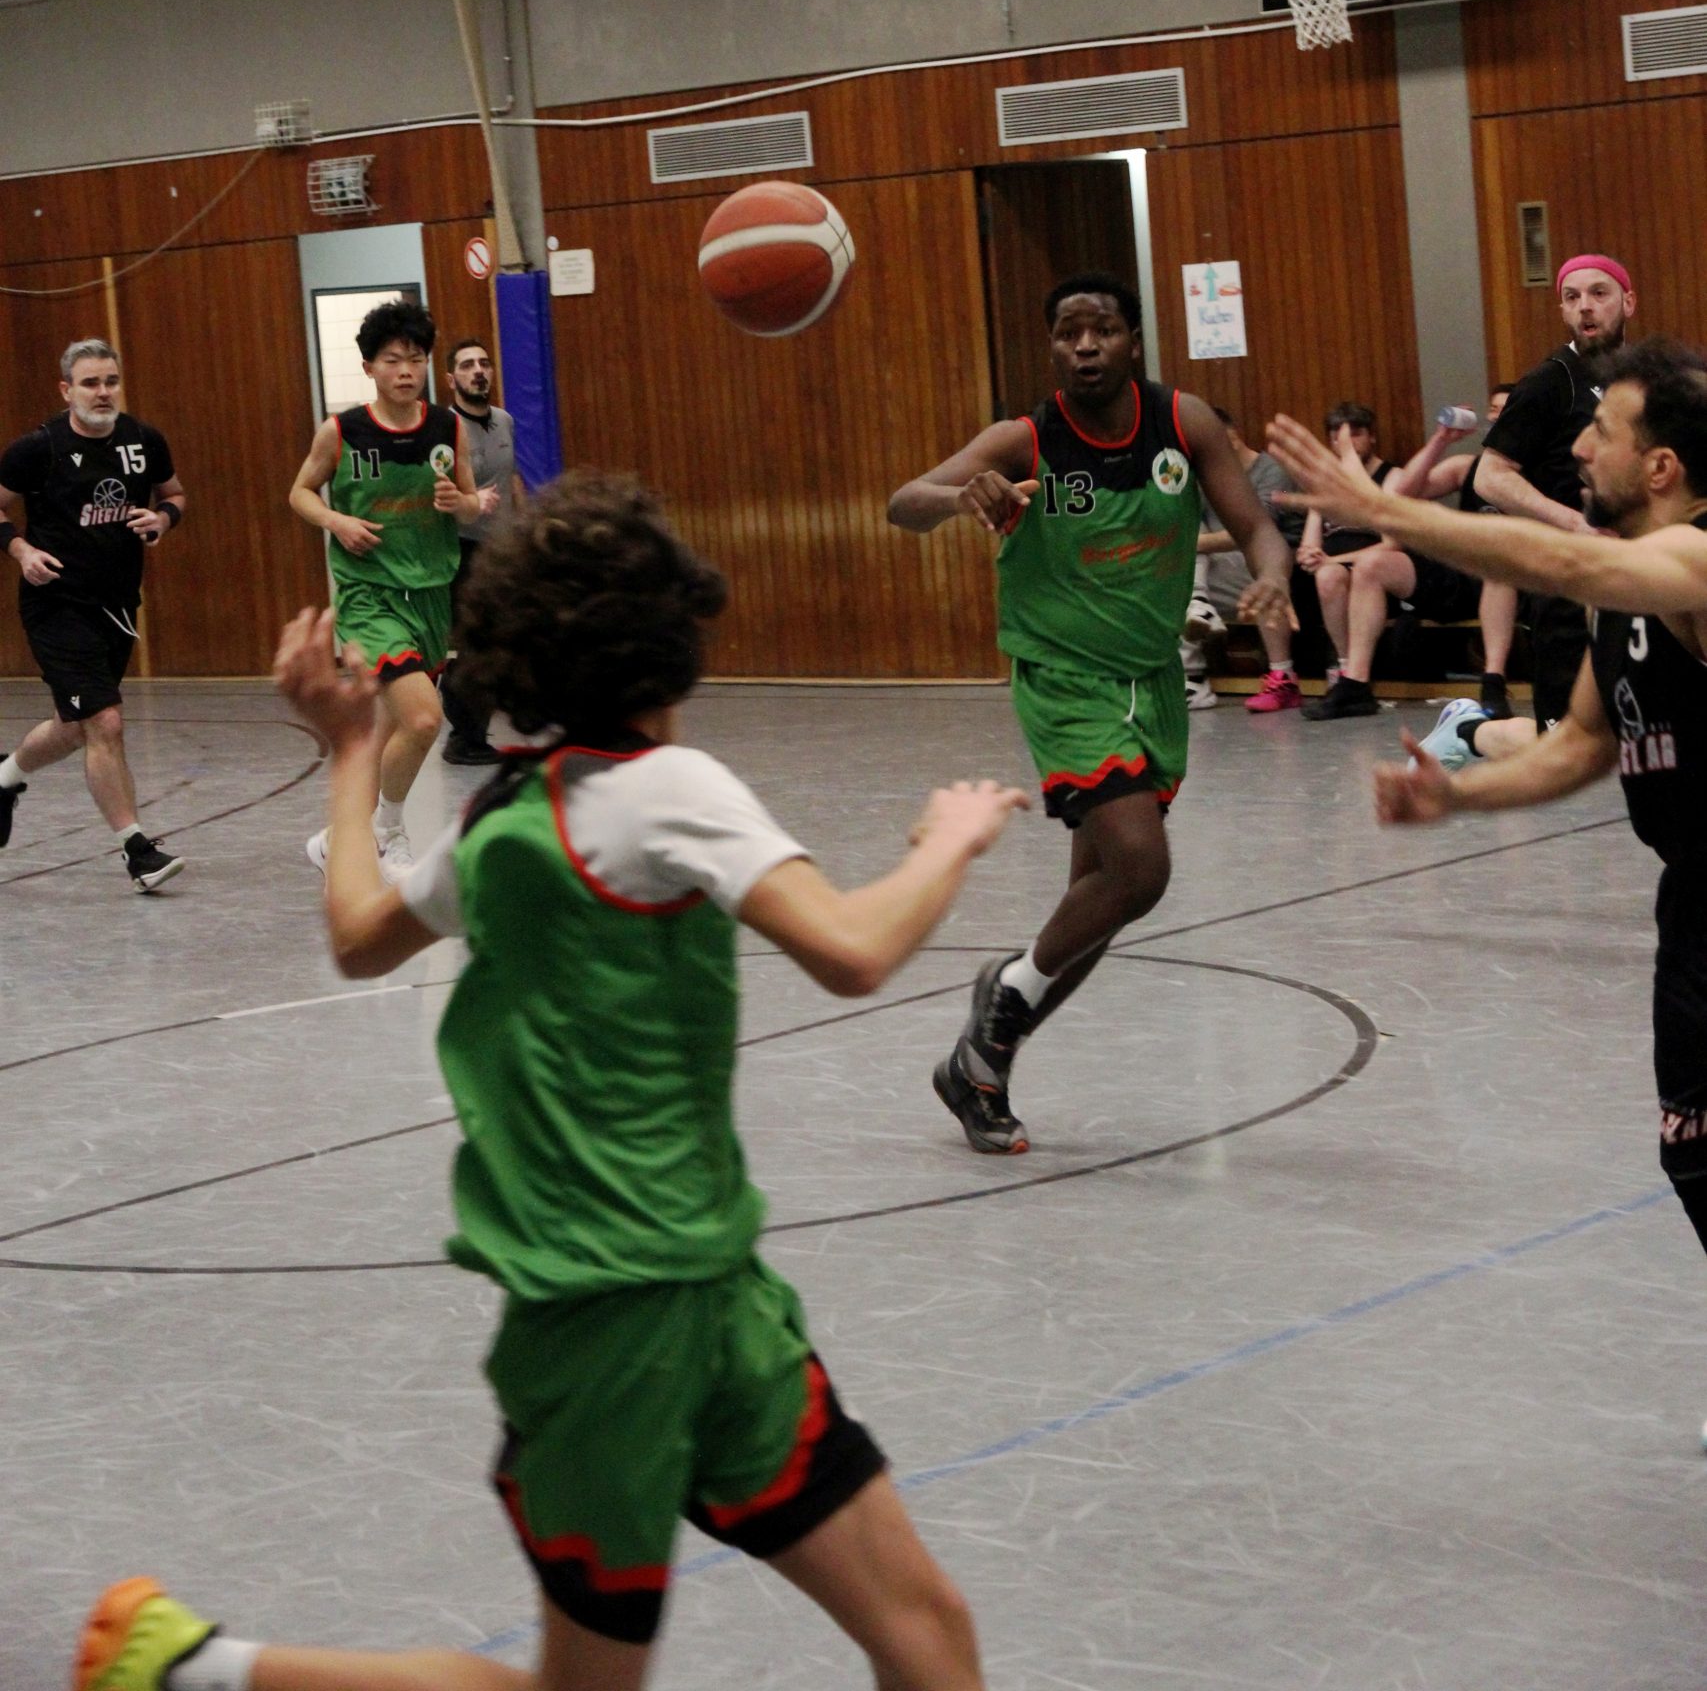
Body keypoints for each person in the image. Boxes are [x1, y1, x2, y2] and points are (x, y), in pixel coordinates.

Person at [76, 472, 1026, 1691]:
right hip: (614, 1323)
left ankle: (188, 1665)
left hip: (710, 1301)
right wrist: (948, 842)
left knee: (927, 1634)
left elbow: (358, 934)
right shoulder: (672, 788)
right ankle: (191, 1668)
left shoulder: (507, 816)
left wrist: (354, 752)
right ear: (672, 638)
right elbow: (852, 949)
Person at [1268, 341, 1707, 1311]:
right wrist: (1460, 796)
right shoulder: (1623, 591)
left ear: (1661, 467)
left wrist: (1390, 512)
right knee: (1692, 1153)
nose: (1578, 448)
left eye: (1600, 432)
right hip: (1692, 909)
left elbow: (1563, 556)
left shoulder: (1693, 556)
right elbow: (1581, 744)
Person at [888, 271, 1293, 1155]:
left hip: (1151, 680)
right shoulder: (1023, 440)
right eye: (1067, 331)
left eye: (1101, 329)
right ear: (1051, 347)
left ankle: (979, 1068)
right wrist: (962, 496)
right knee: (1140, 869)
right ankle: (1004, 999)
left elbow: (1256, 525)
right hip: (1066, 679)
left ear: (1132, 341)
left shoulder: (1182, 423)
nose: (1083, 345)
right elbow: (902, 504)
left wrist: (1272, 572)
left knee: (1097, 900)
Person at [288, 299, 479, 875]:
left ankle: (337, 840)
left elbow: (471, 506)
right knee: (424, 719)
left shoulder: (448, 427)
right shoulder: (342, 431)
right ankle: (386, 836)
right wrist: (337, 521)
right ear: (369, 367)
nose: (405, 371)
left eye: (415, 359)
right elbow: (300, 492)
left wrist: (460, 502)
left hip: (431, 594)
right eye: (393, 360)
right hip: (369, 597)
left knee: (395, 731)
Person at [0, 338, 187, 891]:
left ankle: (4, 777)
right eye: (90, 383)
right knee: (105, 721)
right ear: (67, 390)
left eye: (110, 381)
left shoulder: (144, 440)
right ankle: (137, 851)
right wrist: (21, 551)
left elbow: (175, 494)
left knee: (75, 724)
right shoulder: (38, 449)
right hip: (56, 604)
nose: (103, 392)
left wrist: (162, 519)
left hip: (118, 605)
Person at [1475, 254, 1636, 732]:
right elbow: (1490, 476)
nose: (1585, 305)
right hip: (1568, 581)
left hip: (1634, 576)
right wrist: (1574, 524)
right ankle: (1473, 732)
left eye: (1598, 293)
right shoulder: (1549, 382)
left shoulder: (1643, 378)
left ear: (1628, 302)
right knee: (1566, 738)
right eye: (1572, 297)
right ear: (1563, 310)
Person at [1299, 401, 1502, 726]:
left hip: (1511, 574)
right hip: (1454, 573)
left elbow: (1386, 511)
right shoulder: (1466, 466)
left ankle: (1494, 685)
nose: (1496, 418)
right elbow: (1402, 494)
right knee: (1367, 566)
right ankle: (1354, 683)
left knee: (1499, 572)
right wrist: (1440, 439)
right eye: (1493, 410)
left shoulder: (1540, 469)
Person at [1181, 406, 1305, 715]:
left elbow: (1258, 533)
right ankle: (1190, 676)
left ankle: (1282, 677)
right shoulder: (1207, 476)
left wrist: (1191, 545)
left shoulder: (1271, 470)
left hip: (1279, 562)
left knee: (1259, 576)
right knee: (1168, 574)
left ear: (1231, 437)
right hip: (1218, 565)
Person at [439, 336, 526, 767]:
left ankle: (477, 729)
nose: (478, 371)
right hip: (461, 550)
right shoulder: (443, 429)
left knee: (500, 642)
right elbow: (437, 495)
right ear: (451, 378)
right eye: (467, 365)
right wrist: (470, 503)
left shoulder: (505, 421)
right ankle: (464, 738)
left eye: (484, 363)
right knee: (468, 646)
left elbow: (512, 479)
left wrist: (526, 529)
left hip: (501, 549)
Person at [1296, 402, 1401, 719]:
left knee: (1341, 572)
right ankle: (1345, 672)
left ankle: (1355, 676)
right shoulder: (1325, 484)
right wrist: (1310, 555)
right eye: (1339, 437)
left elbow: (1392, 544)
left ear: (1372, 437)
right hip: (1332, 567)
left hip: (1377, 566)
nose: (1348, 443)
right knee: (1326, 576)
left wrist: (1334, 559)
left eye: (1356, 434)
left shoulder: (1392, 477)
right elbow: (1309, 540)